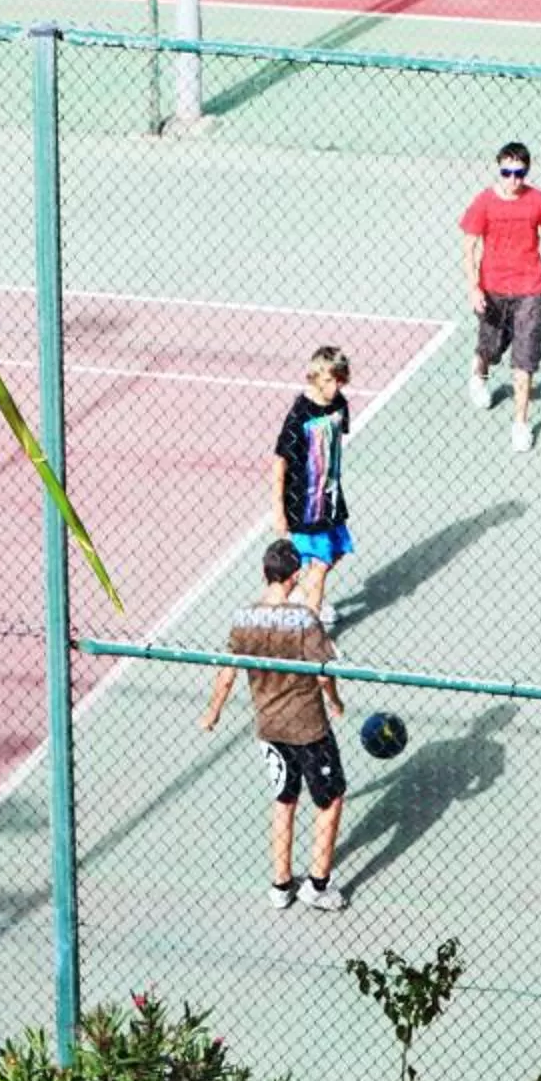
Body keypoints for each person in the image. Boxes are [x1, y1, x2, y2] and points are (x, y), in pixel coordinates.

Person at [200, 538, 348, 910]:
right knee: (329, 800)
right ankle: (317, 885)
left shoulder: (244, 619)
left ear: (265, 573)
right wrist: (335, 700)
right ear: (295, 576)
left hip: (269, 728)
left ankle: (281, 885)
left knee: (284, 799)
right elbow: (322, 671)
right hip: (309, 727)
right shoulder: (303, 620)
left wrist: (213, 711)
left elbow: (229, 671)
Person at [460, 141, 541, 453]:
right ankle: (479, 375)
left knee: (525, 357)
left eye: (519, 173)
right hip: (492, 288)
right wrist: (473, 288)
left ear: (527, 172)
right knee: (490, 348)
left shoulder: (538, 201)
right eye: (507, 173)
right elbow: (468, 247)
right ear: (499, 170)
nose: (513, 180)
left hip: (530, 290)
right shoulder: (484, 203)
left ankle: (520, 423)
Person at [270, 344, 352, 629]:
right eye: (330, 380)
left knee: (336, 551)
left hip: (329, 497)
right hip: (304, 504)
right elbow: (280, 463)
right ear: (316, 378)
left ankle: (295, 603)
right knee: (318, 564)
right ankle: (308, 630)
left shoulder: (340, 405)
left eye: (341, 379)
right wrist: (278, 511)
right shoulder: (300, 416)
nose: (336, 386)